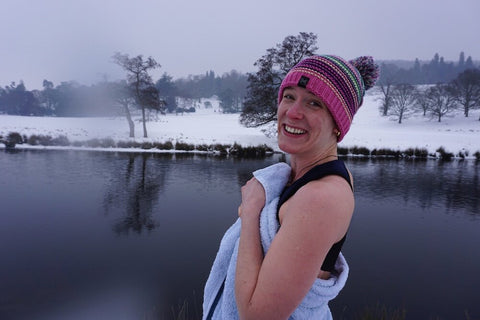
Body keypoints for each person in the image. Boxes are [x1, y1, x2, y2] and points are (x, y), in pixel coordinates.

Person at [203, 55, 379, 319]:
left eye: (314, 103)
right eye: (289, 96)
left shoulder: (321, 197)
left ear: (338, 124)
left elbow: (256, 315)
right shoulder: (304, 178)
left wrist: (251, 212)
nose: (293, 112)